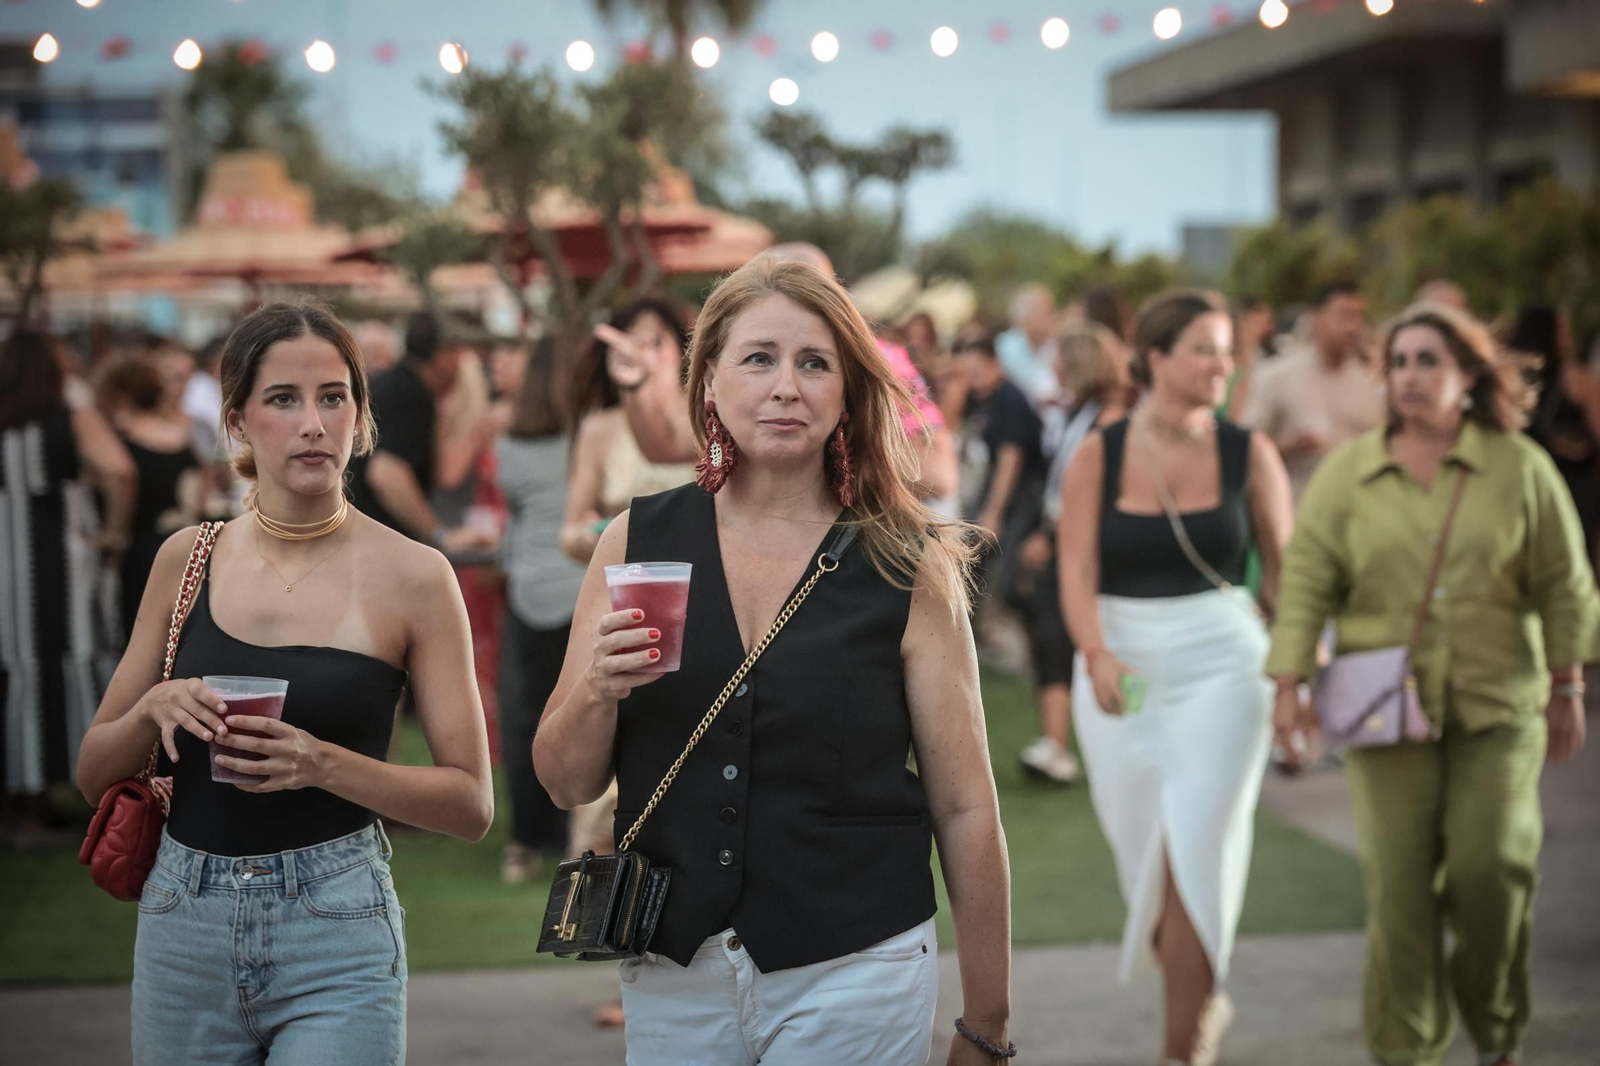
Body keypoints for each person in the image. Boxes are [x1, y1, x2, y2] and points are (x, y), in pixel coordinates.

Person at [535, 254, 1012, 1065]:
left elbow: (966, 808)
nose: (786, 385)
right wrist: (595, 688)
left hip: (859, 960)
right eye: (759, 358)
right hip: (674, 968)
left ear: (846, 392)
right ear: (710, 380)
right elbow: (565, 781)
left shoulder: (908, 564)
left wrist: (987, 1024)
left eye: (814, 362)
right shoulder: (634, 543)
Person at [75, 300, 494, 1066]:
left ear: (361, 417)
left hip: (337, 921)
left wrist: (321, 763)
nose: (313, 423)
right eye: (283, 399)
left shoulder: (416, 576)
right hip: (182, 919)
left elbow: (471, 805)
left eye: (334, 397)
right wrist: (153, 708)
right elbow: (92, 772)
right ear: (236, 422)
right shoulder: (187, 560)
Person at [1267, 302, 1597, 1066]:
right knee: (1400, 892)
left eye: (1429, 362)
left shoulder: (1519, 466)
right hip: (1386, 718)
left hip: (1500, 705)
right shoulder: (1351, 473)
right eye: (1400, 363)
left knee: (1495, 874)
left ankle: (1497, 1023)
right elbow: (1308, 580)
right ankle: (1407, 1048)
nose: (1410, 378)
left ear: (1470, 377)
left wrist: (1568, 685)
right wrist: (1290, 682)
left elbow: (1565, 581)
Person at [1058, 290, 1294, 1066]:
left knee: (1197, 845)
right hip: (1119, 663)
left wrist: (1296, 677)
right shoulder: (1103, 449)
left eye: (1227, 350)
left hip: (1226, 665)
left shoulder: (1248, 452)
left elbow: (1286, 579)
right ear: (1155, 359)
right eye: (1204, 348)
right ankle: (1203, 999)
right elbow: (1076, 570)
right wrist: (1095, 652)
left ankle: (1181, 1049)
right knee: (1145, 867)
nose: (1222, 364)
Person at [1, 332, 134, 831]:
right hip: (57, 557)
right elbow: (121, 472)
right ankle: (55, 783)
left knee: (13, 664)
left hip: (4, 561)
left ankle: (16, 793)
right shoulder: (70, 418)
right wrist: (112, 534)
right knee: (65, 659)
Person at [1015, 323, 1135, 785]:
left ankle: (1063, 744)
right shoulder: (1080, 413)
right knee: (1052, 637)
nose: (1054, 367)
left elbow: (1091, 495)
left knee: (1069, 637)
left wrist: (1053, 533)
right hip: (1063, 535)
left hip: (1083, 546)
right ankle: (1057, 742)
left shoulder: (1107, 419)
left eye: (1061, 358)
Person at [493, 337, 586, 884]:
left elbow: (518, 514)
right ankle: (581, 832)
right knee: (588, 715)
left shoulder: (510, 443)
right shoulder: (591, 437)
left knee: (527, 718)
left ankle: (526, 840)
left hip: (529, 590)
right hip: (585, 588)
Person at [345, 312, 485, 554]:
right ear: (442, 357)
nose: (462, 364)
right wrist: (439, 534)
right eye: (458, 353)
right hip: (381, 546)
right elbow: (387, 473)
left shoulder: (388, 383)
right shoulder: (414, 396)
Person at [1241, 281, 1384, 503]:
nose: (1354, 327)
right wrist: (1288, 447)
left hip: (1359, 512)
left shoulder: (1370, 382)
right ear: (1316, 318)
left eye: (1358, 317)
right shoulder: (1276, 375)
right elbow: (1244, 448)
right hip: (1295, 510)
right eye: (1345, 316)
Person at [94, 353, 204, 639]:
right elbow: (199, 496)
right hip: (183, 548)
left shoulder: (117, 440)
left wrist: (113, 535)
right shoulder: (181, 438)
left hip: (135, 552)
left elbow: (119, 480)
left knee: (137, 635)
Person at [955, 332, 1049, 610]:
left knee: (1003, 576)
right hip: (994, 492)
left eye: (978, 370)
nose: (973, 378)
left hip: (1019, 497)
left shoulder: (1010, 398)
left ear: (994, 364)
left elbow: (1011, 459)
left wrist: (994, 512)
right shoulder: (981, 398)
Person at [1511, 306, 1600, 560]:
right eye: (1564, 330)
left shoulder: (1508, 382)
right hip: (1571, 485)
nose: (1569, 338)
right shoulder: (1577, 380)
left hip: (1524, 485)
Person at [996, 283, 1060, 404]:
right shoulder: (1005, 347)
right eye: (1047, 312)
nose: (1053, 318)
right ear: (1024, 316)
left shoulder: (1054, 346)